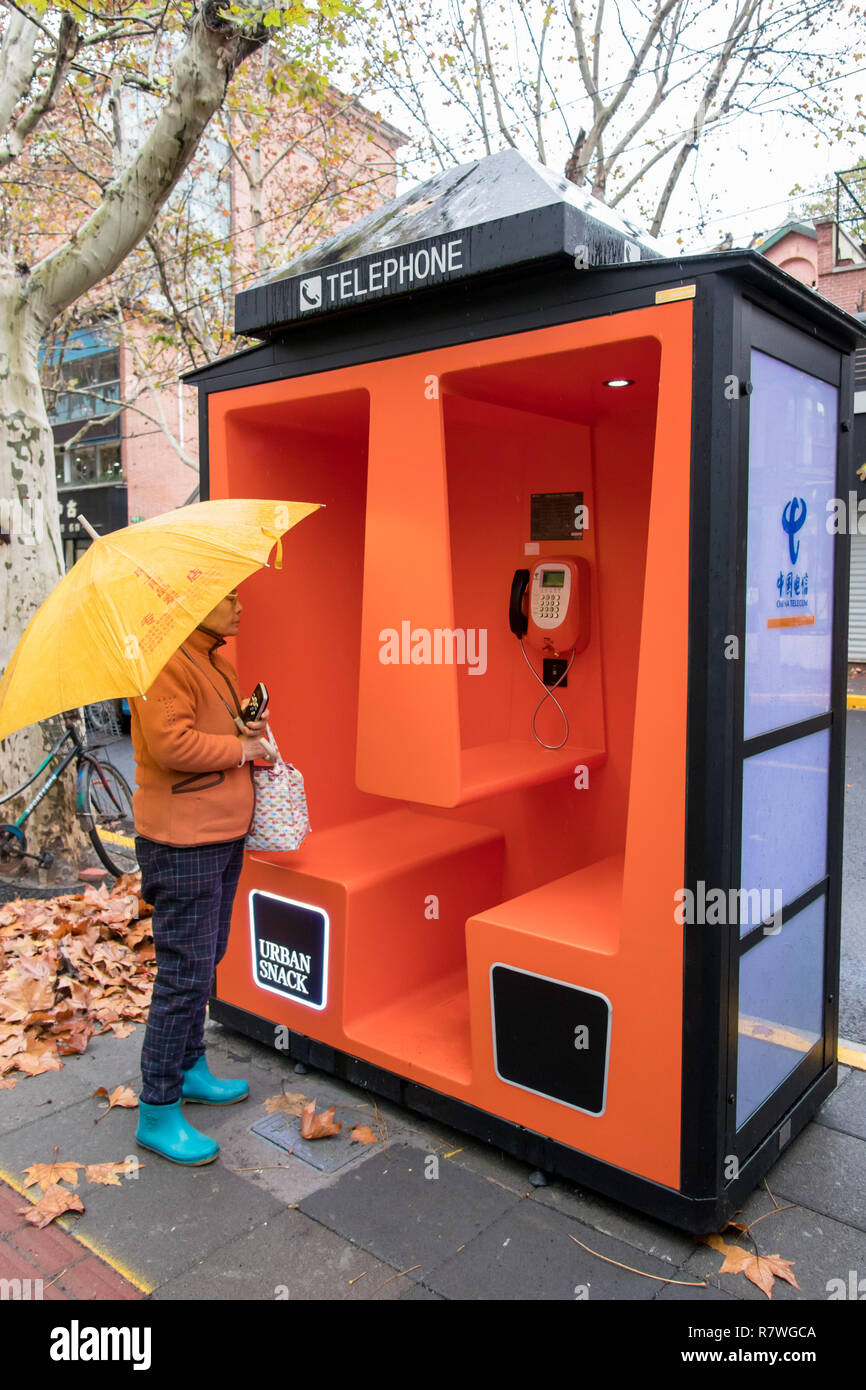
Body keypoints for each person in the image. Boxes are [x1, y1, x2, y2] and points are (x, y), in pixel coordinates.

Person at [129, 587, 274, 1166]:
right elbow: (172, 744)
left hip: (220, 834)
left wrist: (246, 724)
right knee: (183, 972)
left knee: (208, 955)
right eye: (229, 597)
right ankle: (157, 1108)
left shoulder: (213, 658)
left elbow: (213, 729)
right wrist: (242, 747)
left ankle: (189, 1066)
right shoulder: (163, 661)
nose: (242, 606)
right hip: (182, 838)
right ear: (193, 604)